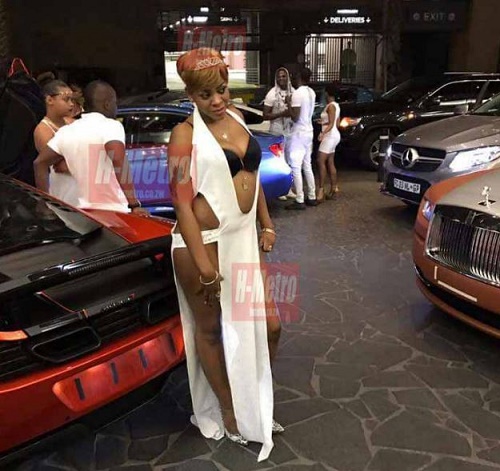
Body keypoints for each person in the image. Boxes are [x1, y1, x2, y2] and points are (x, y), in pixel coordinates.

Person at [168, 48, 283, 461]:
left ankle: (250, 395)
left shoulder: (237, 118)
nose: (217, 100)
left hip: (243, 240)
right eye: (205, 95)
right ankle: (229, 409)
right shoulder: (183, 135)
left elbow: (254, 176)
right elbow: (181, 203)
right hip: (204, 243)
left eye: (221, 90)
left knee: (270, 326)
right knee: (212, 331)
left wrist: (266, 224)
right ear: (190, 95)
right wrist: (204, 267)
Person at [33, 80, 147, 215]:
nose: (116, 107)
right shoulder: (111, 126)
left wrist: (45, 202)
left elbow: (39, 163)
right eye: (115, 103)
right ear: (107, 104)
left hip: (81, 212)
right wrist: (134, 204)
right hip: (114, 212)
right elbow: (117, 159)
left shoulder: (66, 131)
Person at [33, 79, 78, 207]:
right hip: (63, 190)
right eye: (66, 100)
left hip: (81, 188)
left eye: (72, 100)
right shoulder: (43, 130)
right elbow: (61, 166)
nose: (71, 104)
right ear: (49, 100)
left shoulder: (74, 123)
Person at [287, 67, 318, 210]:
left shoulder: (298, 93)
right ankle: (312, 196)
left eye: (294, 76)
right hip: (309, 131)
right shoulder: (311, 92)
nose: (293, 78)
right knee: (307, 165)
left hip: (299, 132)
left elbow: (295, 116)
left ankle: (299, 199)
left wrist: (288, 103)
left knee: (295, 166)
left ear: (299, 77)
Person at [263, 67, 295, 200]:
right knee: (279, 161)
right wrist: (282, 113)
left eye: (284, 76)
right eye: (279, 77)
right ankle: (280, 190)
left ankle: (289, 188)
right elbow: (265, 115)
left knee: (290, 159)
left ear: (288, 77)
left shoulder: (293, 92)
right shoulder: (272, 94)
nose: (281, 79)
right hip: (276, 130)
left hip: (290, 130)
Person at [316, 83, 341, 201]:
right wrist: (324, 122)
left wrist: (323, 133)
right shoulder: (336, 105)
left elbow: (331, 124)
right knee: (330, 161)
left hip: (329, 136)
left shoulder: (330, 106)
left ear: (327, 93)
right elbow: (336, 123)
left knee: (320, 161)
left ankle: (321, 189)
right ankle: (334, 187)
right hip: (335, 135)